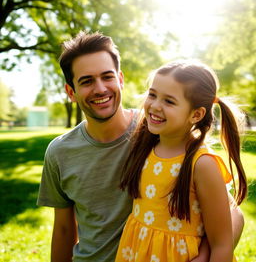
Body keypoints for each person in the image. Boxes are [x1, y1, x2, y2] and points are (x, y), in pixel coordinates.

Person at [37, 32, 244, 262]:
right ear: (70, 92)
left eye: (107, 77)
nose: (100, 89)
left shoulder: (158, 131)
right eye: (86, 81)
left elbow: (232, 214)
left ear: (121, 79)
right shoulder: (59, 153)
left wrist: (205, 256)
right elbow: (64, 230)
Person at [115, 60, 247, 262]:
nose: (155, 106)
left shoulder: (202, 164)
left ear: (196, 114)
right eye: (152, 94)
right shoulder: (146, 146)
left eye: (169, 101)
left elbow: (222, 244)